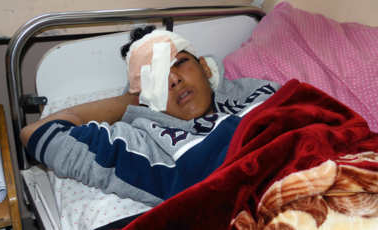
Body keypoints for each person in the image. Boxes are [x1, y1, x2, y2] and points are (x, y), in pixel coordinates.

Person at [20, 26, 281, 207]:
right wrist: (134, 101)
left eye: (179, 62)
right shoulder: (153, 149)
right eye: (156, 79)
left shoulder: (255, 92)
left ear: (204, 66)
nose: (175, 79)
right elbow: (40, 134)